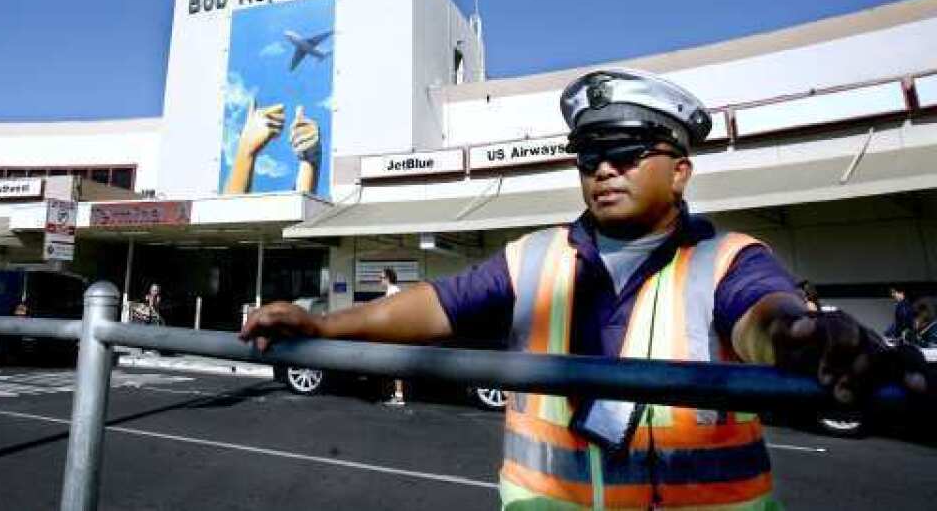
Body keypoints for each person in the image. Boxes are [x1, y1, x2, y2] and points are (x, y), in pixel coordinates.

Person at [241, 68, 930, 510]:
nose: (604, 168)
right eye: (590, 154)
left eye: (628, 151)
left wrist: (805, 336)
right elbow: (436, 306)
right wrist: (324, 326)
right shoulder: (536, 255)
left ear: (681, 171)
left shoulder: (728, 259)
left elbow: (766, 316)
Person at [380, 268, 406, 407]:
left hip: (395, 333)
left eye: (382, 277)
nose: (380, 280)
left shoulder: (392, 291)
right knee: (394, 365)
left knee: (396, 365)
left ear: (388, 278)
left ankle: (399, 397)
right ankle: (396, 395)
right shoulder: (395, 290)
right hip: (396, 332)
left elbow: (392, 313)